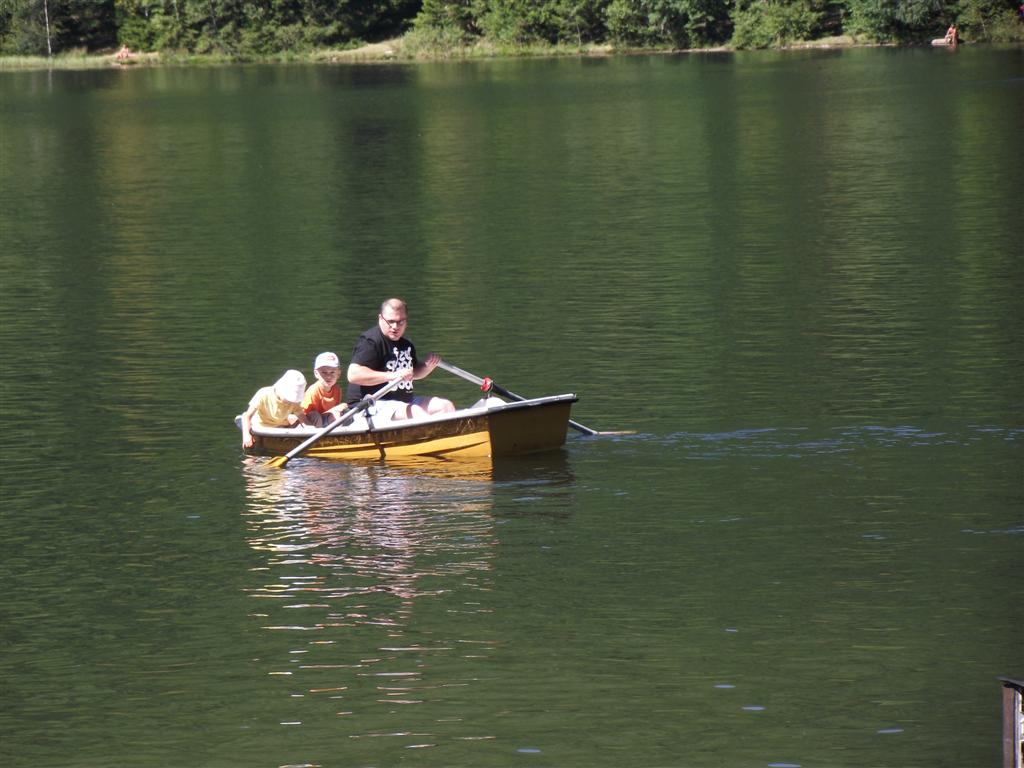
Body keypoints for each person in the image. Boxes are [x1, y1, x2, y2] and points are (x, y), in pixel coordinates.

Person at [346, 298, 455, 421]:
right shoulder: (370, 342)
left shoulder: (406, 344)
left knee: (446, 407)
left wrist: (428, 367)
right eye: (390, 321)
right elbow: (353, 375)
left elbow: (412, 373)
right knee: (415, 412)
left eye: (400, 322)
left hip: (403, 403)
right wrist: (393, 375)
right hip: (370, 405)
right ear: (380, 318)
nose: (395, 327)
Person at [240, 369, 314, 449]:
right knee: (252, 448)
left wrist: (310, 429)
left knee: (314, 416)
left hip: (283, 428)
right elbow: (246, 416)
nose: (289, 402)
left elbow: (301, 416)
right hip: (263, 429)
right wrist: (246, 435)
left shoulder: (293, 402)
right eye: (288, 399)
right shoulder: (263, 394)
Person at [302, 351, 348, 427]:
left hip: (325, 421)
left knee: (344, 408)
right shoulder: (313, 391)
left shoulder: (337, 390)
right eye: (324, 372)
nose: (328, 376)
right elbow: (303, 415)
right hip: (311, 424)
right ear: (316, 374)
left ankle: (337, 435)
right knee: (314, 415)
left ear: (338, 374)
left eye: (332, 372)